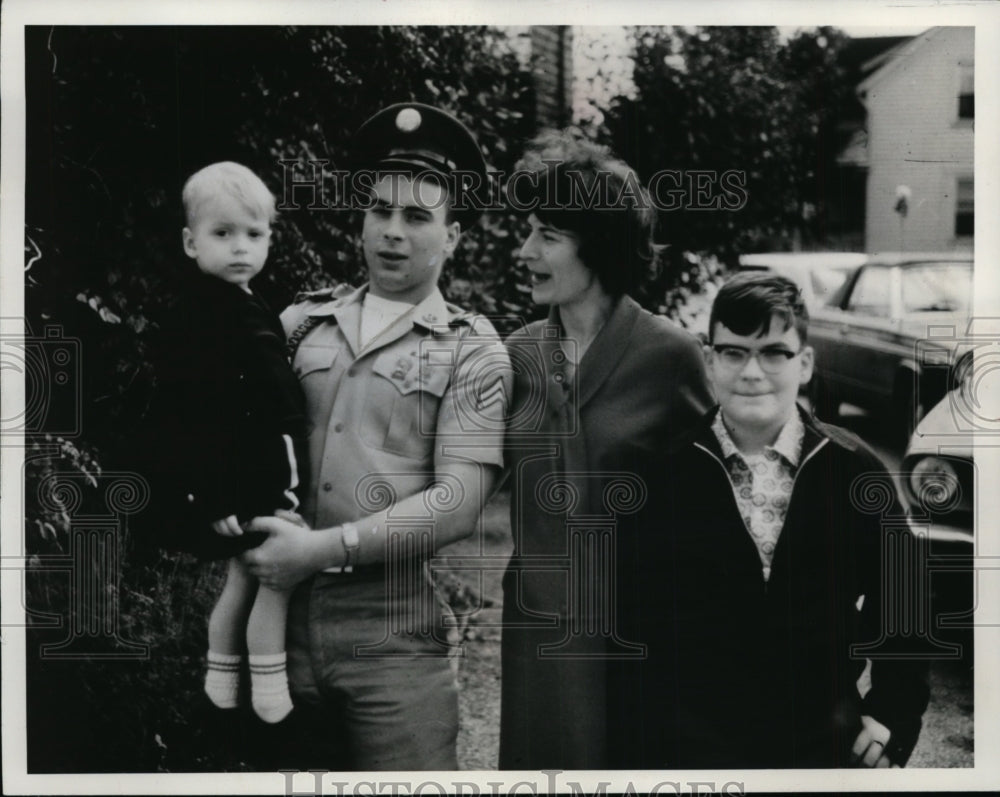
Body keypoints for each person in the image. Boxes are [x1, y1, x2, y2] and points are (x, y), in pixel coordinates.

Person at [241, 103, 512, 771]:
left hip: (392, 631)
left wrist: (319, 548)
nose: (392, 232)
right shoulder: (300, 323)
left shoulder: (472, 350)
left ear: (453, 236)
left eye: (417, 217)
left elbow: (456, 501)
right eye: (379, 210)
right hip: (277, 622)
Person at [623, 272, 930, 767]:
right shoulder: (664, 475)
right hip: (696, 750)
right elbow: (635, 622)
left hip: (821, 744)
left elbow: (905, 604)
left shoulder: (853, 470)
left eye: (773, 352)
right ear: (708, 359)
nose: (751, 371)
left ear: (805, 363)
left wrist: (892, 713)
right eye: (733, 351)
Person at [499, 131, 714, 770]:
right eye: (529, 230)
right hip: (536, 627)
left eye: (547, 236)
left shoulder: (670, 355)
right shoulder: (515, 355)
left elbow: (716, 502)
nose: (525, 250)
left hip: (634, 634)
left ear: (598, 244)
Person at [144, 161, 308, 725]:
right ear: (191, 242)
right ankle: (270, 695)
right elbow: (188, 417)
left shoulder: (242, 302)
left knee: (244, 575)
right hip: (253, 476)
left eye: (254, 234)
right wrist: (213, 496)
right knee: (276, 574)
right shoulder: (203, 317)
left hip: (244, 473)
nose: (240, 247)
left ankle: (221, 682)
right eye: (222, 233)